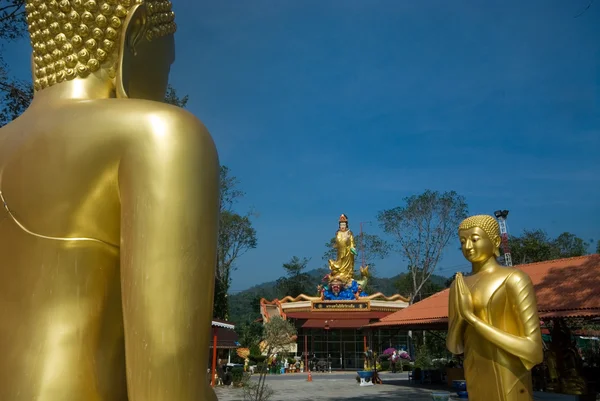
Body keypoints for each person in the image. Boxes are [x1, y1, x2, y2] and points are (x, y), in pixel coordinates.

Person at [0, 1, 219, 400]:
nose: (166, 80)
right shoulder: (158, 135)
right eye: (166, 64)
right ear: (134, 33)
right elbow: (166, 370)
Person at [447, 215, 544, 401]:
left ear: (496, 241)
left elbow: (533, 350)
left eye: (475, 239)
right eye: (463, 241)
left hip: (509, 374)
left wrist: (472, 319)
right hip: (475, 373)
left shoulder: (514, 279)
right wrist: (460, 319)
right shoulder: (458, 285)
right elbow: (455, 346)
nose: (468, 247)